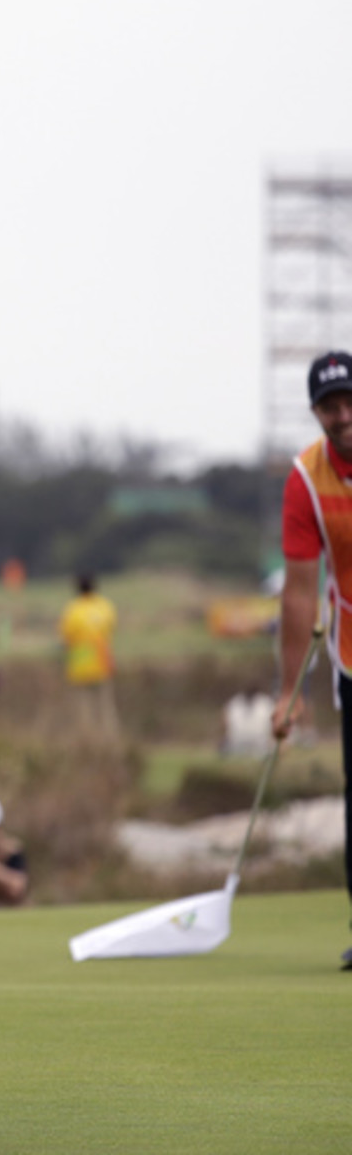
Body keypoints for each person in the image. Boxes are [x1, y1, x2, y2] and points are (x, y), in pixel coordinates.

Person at [272, 350, 352, 969]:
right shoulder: (306, 477)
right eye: (331, 406)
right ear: (316, 413)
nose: (344, 415)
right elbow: (299, 591)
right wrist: (289, 691)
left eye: (351, 401)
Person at [58, 572, 120, 744]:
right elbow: (112, 628)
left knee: (84, 707)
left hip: (80, 663)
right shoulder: (105, 606)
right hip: (102, 661)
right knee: (106, 706)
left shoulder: (73, 609)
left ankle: (87, 741)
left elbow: (65, 636)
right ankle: (111, 740)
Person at [218, 684, 275, 759]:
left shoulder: (234, 702)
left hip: (236, 745)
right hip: (259, 746)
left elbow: (224, 722)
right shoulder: (266, 702)